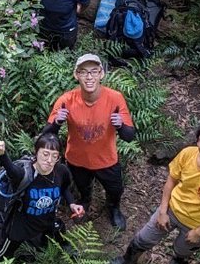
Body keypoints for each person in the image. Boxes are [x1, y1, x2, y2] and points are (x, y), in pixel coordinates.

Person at [110, 119, 200, 264]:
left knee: (183, 249)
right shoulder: (187, 154)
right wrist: (163, 211)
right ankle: (128, 259)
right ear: (197, 140)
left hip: (197, 223)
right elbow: (171, 180)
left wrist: (199, 232)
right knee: (143, 238)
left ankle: (178, 260)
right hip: (172, 209)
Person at [45, 53, 136, 231]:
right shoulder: (66, 100)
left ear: (101, 74)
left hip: (106, 159)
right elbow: (46, 135)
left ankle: (113, 208)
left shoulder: (115, 98)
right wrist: (57, 123)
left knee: (115, 189)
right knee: (82, 187)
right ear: (76, 74)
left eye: (94, 71)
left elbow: (129, 136)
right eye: (84, 72)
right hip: (77, 159)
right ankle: (85, 201)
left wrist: (120, 126)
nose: (89, 77)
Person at [0, 134, 85, 262]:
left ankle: (66, 252)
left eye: (54, 156)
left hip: (47, 220)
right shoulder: (24, 174)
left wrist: (72, 204)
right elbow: (11, 170)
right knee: (2, 254)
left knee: (58, 231)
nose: (49, 160)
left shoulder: (61, 171)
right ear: (36, 152)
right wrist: (2, 154)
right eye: (45, 154)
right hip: (20, 225)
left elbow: (64, 188)